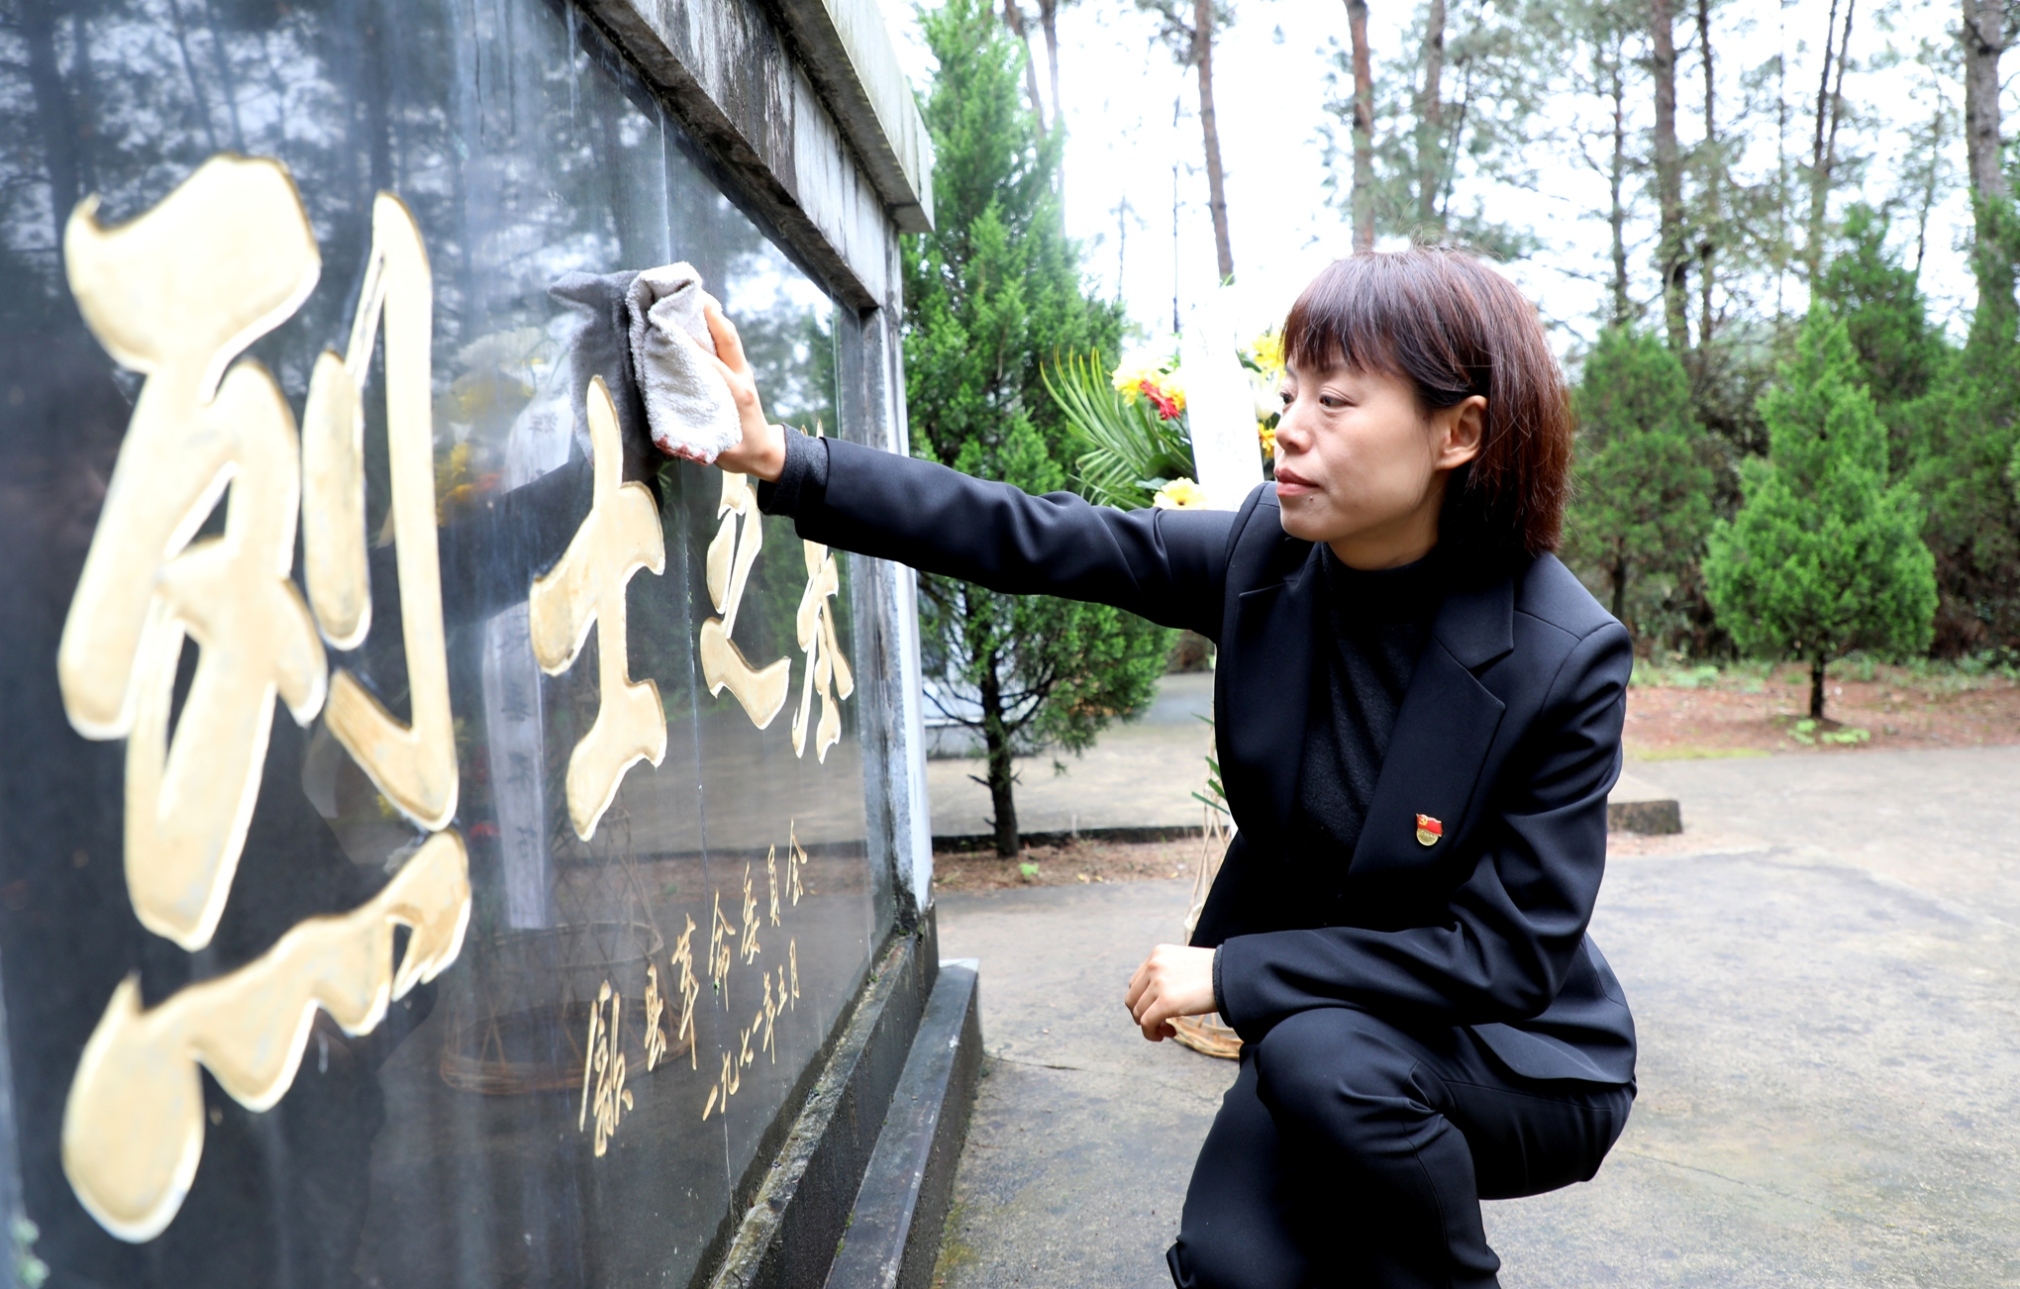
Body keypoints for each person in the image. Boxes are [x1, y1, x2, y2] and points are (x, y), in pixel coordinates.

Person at [673, 248, 1636, 1289]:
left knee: (1324, 1068)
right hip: (1334, 1034)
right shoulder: (1270, 559)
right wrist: (782, 459)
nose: (1293, 427)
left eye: (1337, 400)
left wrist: (1232, 971)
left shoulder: (1559, 654)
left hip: (1512, 1053)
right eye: (1290, 393)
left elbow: (1501, 956)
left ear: (1460, 432)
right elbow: (1036, 535)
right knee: (1231, 1265)